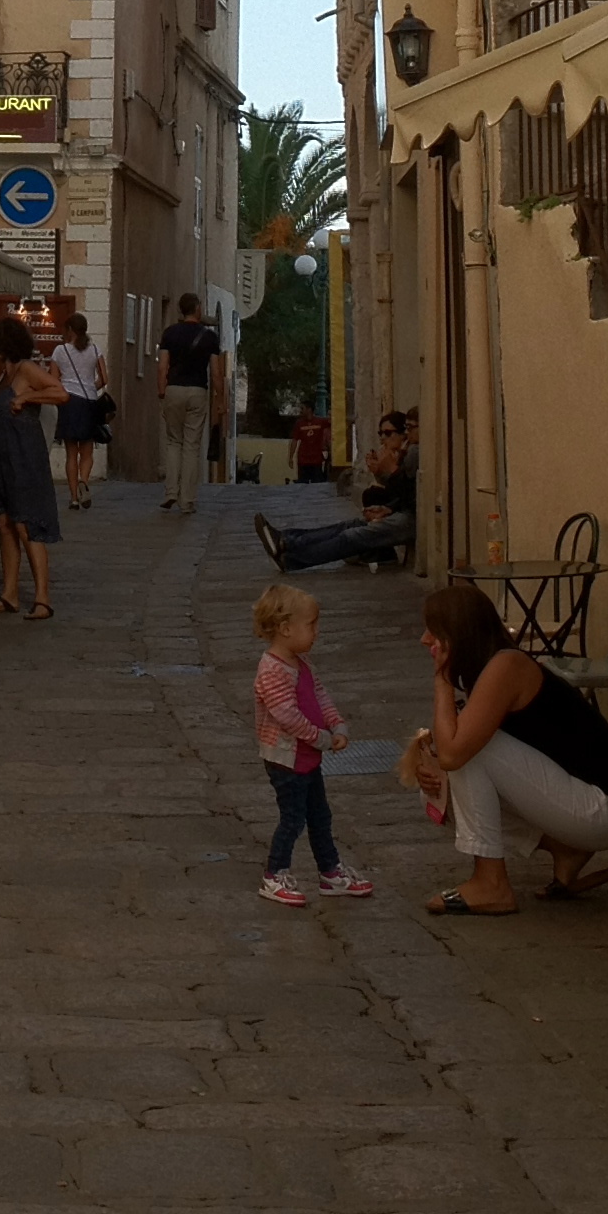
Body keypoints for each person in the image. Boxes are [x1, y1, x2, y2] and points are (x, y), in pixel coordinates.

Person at [409, 578, 608, 917]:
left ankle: (492, 884)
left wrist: (442, 678)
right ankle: (566, 850)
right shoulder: (486, 669)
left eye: (433, 631)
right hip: (581, 804)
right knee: (438, 791)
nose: (424, 639)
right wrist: (430, 772)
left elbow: (454, 753)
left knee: (469, 756)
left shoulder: (507, 666)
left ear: (456, 634)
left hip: (605, 806)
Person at [252, 582, 372, 905]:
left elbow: (319, 696)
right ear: (286, 629)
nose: (316, 632)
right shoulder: (272, 670)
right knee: (292, 818)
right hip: (286, 759)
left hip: (306, 756)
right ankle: (274, 874)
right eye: (311, 625)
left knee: (320, 815)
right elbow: (286, 715)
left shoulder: (301, 664)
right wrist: (321, 737)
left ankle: (330, 871)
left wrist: (337, 723)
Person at [0, 315, 68, 617]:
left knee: (25, 523)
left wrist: (27, 396)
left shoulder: (27, 369)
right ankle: (9, 593)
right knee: (4, 524)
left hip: (22, 455)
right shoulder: (4, 374)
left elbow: (60, 393)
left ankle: (43, 598)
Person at [254, 417, 414, 573]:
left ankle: (290, 559)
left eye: (388, 433)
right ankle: (286, 541)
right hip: (400, 511)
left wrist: (391, 472)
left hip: (410, 517)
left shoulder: (413, 455)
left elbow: (411, 495)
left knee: (350, 535)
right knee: (349, 525)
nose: (383, 439)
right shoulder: (403, 454)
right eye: (381, 434)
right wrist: (386, 502)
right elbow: (398, 493)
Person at [155, 293, 225, 515]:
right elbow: (215, 373)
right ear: (197, 309)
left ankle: (170, 493)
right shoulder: (210, 337)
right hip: (197, 390)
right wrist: (220, 398)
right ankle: (187, 500)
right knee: (192, 445)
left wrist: (161, 390)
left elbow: (162, 366)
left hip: (174, 389)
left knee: (174, 442)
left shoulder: (170, 334)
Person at [52, 310, 108, 510]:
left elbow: (54, 379)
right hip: (89, 402)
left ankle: (74, 497)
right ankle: (84, 480)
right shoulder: (95, 350)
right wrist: (91, 386)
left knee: (70, 453)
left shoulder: (60, 351)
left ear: (69, 330)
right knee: (86, 451)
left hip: (68, 401)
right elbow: (104, 378)